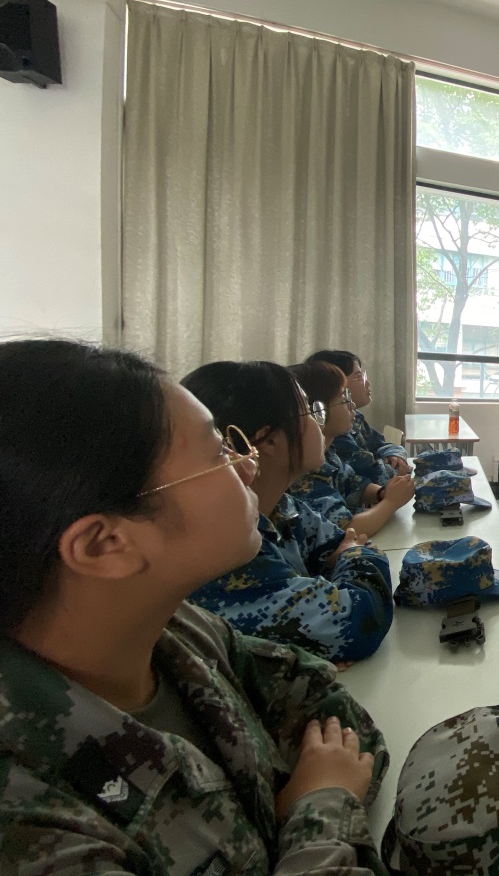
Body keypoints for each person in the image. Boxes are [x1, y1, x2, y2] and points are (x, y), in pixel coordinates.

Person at [0, 339, 388, 874]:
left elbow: (341, 718)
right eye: (218, 455)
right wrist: (318, 806)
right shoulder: (28, 823)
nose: (249, 468)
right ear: (106, 546)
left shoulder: (178, 635)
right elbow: (336, 762)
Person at [181, 360, 394, 663]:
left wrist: (340, 561)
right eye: (310, 410)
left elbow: (342, 540)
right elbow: (360, 618)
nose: (319, 422)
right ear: (268, 440)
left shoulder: (282, 506)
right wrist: (353, 557)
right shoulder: (225, 548)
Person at [287, 360, 413, 537]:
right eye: (343, 398)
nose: (351, 404)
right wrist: (391, 502)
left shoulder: (328, 454)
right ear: (317, 410)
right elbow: (345, 529)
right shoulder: (305, 471)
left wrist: (381, 493)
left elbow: (354, 485)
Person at [305, 350, 409, 486]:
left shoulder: (355, 417)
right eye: (358, 377)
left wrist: (396, 455)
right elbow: (378, 476)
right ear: (336, 383)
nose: (367, 383)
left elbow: (381, 444)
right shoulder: (335, 432)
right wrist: (398, 467)